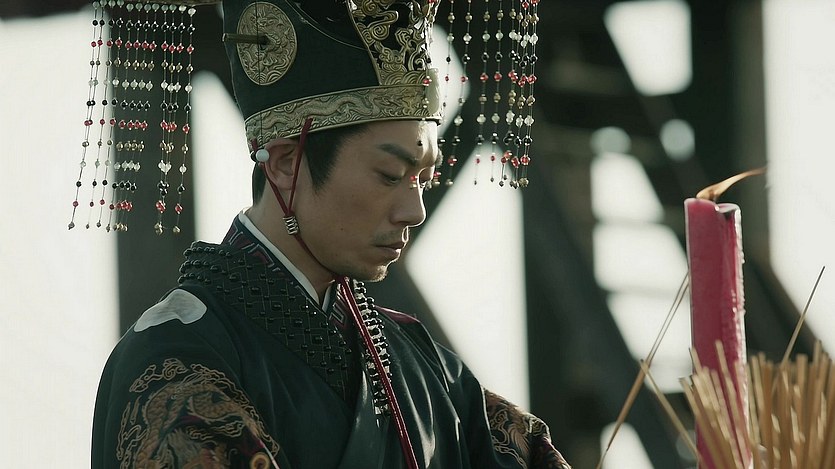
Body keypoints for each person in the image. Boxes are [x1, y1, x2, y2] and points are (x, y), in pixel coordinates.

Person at [90, 0, 566, 467]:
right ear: (286, 164)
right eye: (389, 175)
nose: (415, 210)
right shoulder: (176, 360)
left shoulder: (428, 369)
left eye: (423, 179)